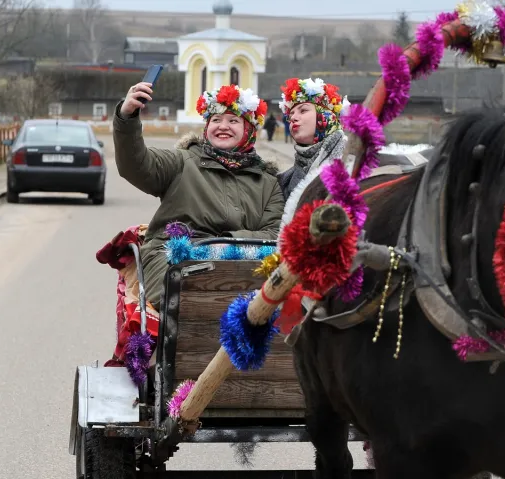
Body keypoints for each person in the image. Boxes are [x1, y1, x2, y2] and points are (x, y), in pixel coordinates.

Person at [113, 81, 285, 310]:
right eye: (216, 120)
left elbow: (274, 232)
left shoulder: (268, 182)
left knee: (269, 307)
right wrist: (127, 118)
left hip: (242, 263)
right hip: (174, 257)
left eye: (233, 121)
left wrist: (224, 245)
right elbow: (135, 164)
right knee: (184, 302)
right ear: (207, 127)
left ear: (249, 131)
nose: (223, 126)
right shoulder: (182, 162)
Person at [275, 77, 351, 229]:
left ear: (326, 116)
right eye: (290, 115)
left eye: (303, 110)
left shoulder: (351, 164)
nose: (293, 118)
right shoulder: (285, 179)